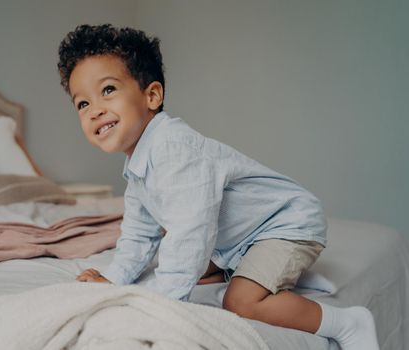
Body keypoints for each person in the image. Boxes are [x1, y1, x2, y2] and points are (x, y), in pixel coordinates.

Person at [57, 24, 379, 350]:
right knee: (183, 264)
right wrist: (115, 278)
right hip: (243, 238)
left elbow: (191, 231)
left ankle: (347, 322)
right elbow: (140, 232)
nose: (95, 110)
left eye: (108, 90)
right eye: (82, 104)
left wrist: (162, 302)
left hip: (286, 224)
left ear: (151, 95)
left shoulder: (174, 148)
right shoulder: (139, 165)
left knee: (240, 301)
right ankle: (260, 271)